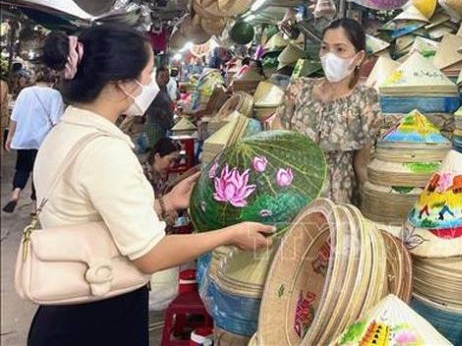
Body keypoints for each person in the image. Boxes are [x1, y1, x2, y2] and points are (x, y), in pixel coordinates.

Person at [31, 24, 274, 345]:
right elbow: (150, 256)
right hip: (98, 318)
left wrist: (164, 204)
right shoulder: (105, 150)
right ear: (122, 84)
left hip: (64, 307)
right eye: (147, 76)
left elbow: (92, 217)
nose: (150, 85)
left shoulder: (65, 131)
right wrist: (230, 234)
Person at [275, 18, 381, 205]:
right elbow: (276, 141)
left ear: (358, 57)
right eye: (325, 48)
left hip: (338, 198)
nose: (329, 55)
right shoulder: (298, 89)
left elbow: (362, 164)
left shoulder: (365, 100)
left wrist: (373, 206)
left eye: (340, 49)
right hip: (293, 193)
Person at [3, 69, 64, 214]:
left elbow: (15, 117)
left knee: (22, 167)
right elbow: (57, 121)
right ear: (52, 81)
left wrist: (10, 136)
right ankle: (35, 206)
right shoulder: (55, 95)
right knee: (39, 172)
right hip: (44, 141)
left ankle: (15, 193)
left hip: (24, 138)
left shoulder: (25, 93)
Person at [143, 67, 175, 148]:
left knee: (160, 150)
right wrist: (158, 112)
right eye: (162, 76)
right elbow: (145, 107)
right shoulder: (152, 89)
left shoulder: (164, 88)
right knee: (156, 151)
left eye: (167, 76)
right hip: (155, 126)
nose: (165, 79)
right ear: (156, 77)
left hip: (164, 125)